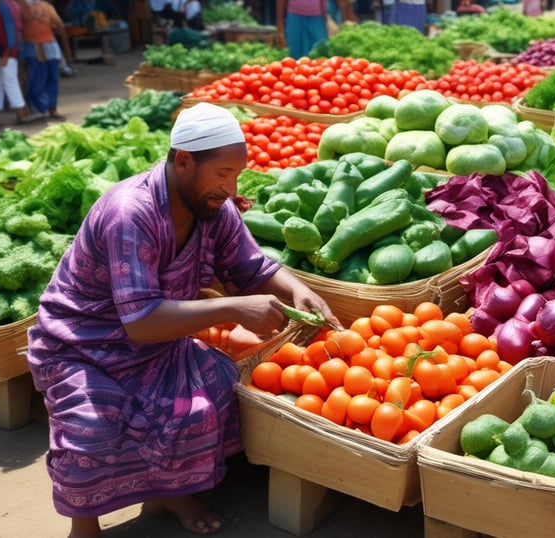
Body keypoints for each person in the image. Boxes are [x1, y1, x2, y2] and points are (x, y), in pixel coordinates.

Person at [27, 102, 340, 538]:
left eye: (236, 175)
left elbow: (253, 265)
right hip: (83, 346)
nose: (231, 189)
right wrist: (233, 307)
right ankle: (85, 525)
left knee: (208, 393)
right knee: (90, 430)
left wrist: (298, 290)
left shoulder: (213, 209)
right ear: (183, 161)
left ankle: (169, 492)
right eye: (222, 173)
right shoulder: (130, 212)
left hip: (157, 344)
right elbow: (140, 321)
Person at [0, 0, 43, 124]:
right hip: (6, 50)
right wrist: (7, 51)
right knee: (10, 79)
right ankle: (21, 112)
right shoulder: (8, 5)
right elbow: (11, 28)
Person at [18, 0, 73, 121]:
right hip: (32, 48)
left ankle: (50, 108)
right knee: (36, 80)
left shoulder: (45, 7)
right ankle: (40, 108)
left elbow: (60, 26)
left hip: (47, 47)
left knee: (49, 79)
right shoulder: (22, 5)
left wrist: (67, 50)